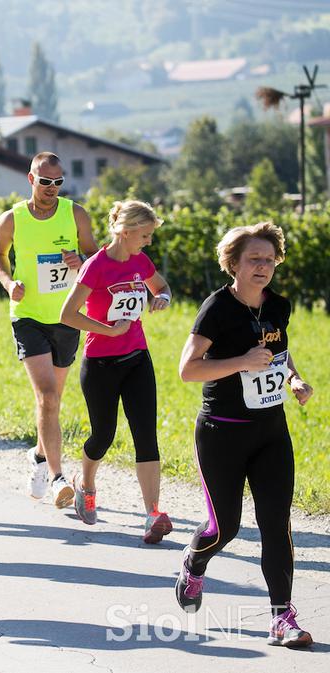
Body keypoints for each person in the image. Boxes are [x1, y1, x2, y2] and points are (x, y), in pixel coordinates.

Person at [175, 222, 314, 649]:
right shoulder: (217, 308)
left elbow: (278, 354)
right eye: (254, 259)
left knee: (277, 524)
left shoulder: (279, 306)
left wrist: (293, 380)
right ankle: (194, 564)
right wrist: (241, 362)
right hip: (222, 433)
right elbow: (187, 369)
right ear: (233, 263)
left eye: (270, 259)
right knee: (225, 528)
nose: (264, 267)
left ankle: (281, 617)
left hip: (271, 433)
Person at [0, 152, 99, 508]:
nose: (51, 188)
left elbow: (96, 258)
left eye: (58, 182)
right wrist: (8, 283)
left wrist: (81, 263)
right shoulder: (13, 218)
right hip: (29, 316)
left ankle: (38, 455)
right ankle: (57, 477)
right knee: (47, 397)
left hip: (67, 317)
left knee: (52, 402)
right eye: (45, 181)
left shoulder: (75, 213)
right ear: (31, 179)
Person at [59, 201, 173, 542]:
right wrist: (109, 330)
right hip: (100, 363)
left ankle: (153, 514)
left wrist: (162, 298)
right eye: (145, 235)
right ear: (125, 231)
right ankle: (86, 484)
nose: (149, 242)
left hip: (138, 357)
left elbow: (162, 286)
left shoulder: (140, 261)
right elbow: (68, 314)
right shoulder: (96, 266)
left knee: (145, 435)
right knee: (103, 435)